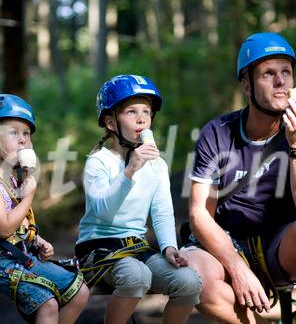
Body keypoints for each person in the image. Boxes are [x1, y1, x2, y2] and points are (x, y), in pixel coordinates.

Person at [183, 32, 296, 324]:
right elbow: (200, 216)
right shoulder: (216, 133)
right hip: (228, 243)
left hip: (281, 243)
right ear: (247, 85)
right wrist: (237, 268)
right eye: (268, 74)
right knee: (191, 275)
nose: (281, 82)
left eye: (286, 72)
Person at [0, 94, 89, 323]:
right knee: (47, 302)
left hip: (14, 255)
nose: (23, 140)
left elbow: (18, 223)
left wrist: (36, 239)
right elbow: (3, 228)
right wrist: (28, 196)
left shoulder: (12, 182)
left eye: (27, 134)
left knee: (79, 291)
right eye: (13, 133)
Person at [75, 74, 202, 324]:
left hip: (135, 246)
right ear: (111, 122)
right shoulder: (97, 162)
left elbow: (162, 211)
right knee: (136, 276)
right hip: (98, 247)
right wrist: (130, 170)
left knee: (189, 282)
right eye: (131, 112)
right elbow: (104, 212)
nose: (142, 118)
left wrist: (168, 247)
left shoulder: (156, 165)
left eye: (146, 111)